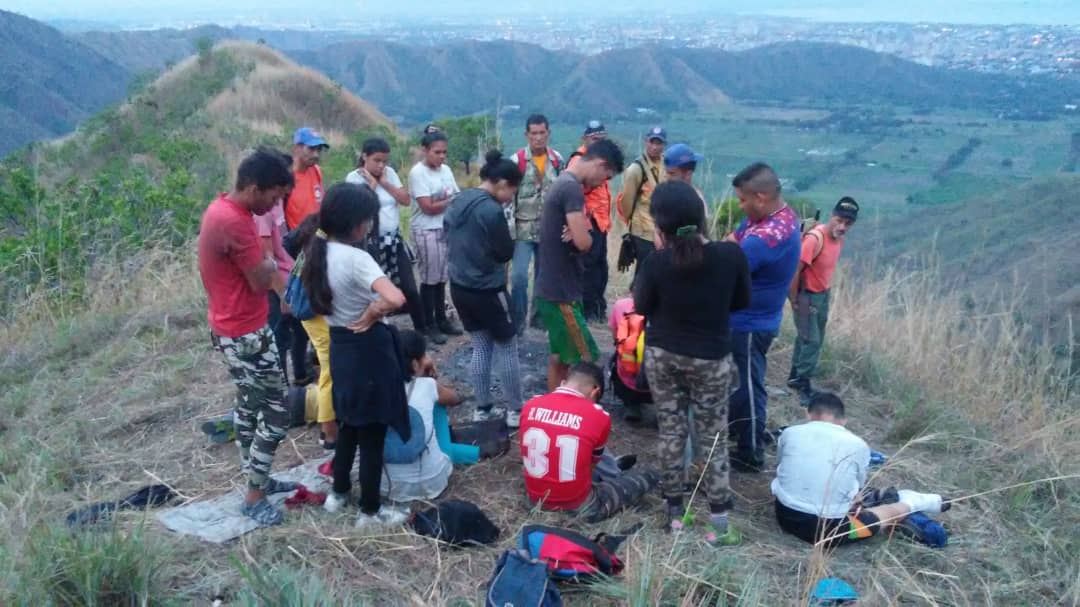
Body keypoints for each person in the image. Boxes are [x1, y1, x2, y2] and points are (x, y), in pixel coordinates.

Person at [633, 181, 751, 545]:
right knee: (714, 436)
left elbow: (640, 308)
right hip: (711, 358)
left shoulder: (656, 262)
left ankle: (675, 516)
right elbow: (741, 302)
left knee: (671, 430)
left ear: (660, 225)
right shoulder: (730, 256)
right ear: (701, 218)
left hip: (663, 355)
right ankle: (719, 521)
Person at [197, 149, 297, 527]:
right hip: (246, 332)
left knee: (248, 405)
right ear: (253, 188)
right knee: (276, 411)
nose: (274, 205)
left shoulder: (220, 210)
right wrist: (272, 264)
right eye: (273, 197)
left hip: (229, 327)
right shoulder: (237, 223)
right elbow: (260, 279)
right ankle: (254, 496)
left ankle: (258, 477)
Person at [303, 182, 410, 528]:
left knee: (349, 423)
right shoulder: (357, 258)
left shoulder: (317, 251)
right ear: (356, 223)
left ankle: (338, 493)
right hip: (367, 350)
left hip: (339, 345)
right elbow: (396, 298)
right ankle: (370, 510)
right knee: (373, 432)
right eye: (367, 219)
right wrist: (374, 312)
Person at [772, 392, 947, 547]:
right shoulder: (858, 445)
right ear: (843, 420)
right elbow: (856, 489)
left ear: (808, 414)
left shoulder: (790, 432)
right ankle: (912, 502)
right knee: (877, 518)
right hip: (830, 532)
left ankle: (895, 499)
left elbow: (780, 467)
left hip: (783, 516)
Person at [725, 162, 801, 473]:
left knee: (747, 387)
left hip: (748, 323)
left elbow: (727, 267)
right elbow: (732, 240)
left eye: (743, 200)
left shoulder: (762, 239)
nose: (741, 207)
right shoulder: (783, 218)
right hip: (758, 318)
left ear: (760, 196)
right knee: (741, 382)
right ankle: (741, 431)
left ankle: (751, 451)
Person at [535, 138, 624, 393]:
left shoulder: (563, 183)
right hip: (561, 292)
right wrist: (583, 231)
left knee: (560, 357)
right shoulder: (571, 189)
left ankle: (554, 405)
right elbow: (585, 243)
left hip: (553, 288)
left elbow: (577, 237)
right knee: (586, 360)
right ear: (599, 164)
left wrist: (578, 233)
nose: (601, 183)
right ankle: (581, 415)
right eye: (605, 177)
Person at [445, 151, 527, 428]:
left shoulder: (460, 199)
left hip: (459, 286)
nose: (510, 197)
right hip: (488, 289)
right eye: (512, 191)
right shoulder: (491, 210)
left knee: (480, 345)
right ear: (503, 183)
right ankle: (515, 409)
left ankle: (483, 407)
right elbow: (505, 252)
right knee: (507, 346)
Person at [520, 362, 658, 523]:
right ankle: (623, 472)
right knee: (647, 476)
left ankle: (614, 468)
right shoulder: (598, 415)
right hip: (580, 507)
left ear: (563, 382)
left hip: (534, 501)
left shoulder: (530, 405)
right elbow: (590, 467)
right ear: (595, 392)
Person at [346, 137, 427, 335]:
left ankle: (423, 330)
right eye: (377, 160)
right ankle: (372, 330)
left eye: (385, 161)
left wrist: (384, 182)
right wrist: (372, 185)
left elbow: (406, 200)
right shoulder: (354, 178)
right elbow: (359, 208)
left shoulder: (389, 174)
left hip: (393, 239)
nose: (381, 165)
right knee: (373, 290)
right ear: (365, 157)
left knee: (409, 286)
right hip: (369, 243)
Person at [787, 197, 859, 403]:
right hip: (805, 295)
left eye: (848, 223)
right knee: (812, 340)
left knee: (807, 337)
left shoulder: (838, 238)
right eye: (839, 220)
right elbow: (795, 270)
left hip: (821, 294)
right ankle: (803, 384)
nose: (843, 226)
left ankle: (794, 376)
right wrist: (794, 299)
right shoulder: (814, 239)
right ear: (832, 216)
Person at [382, 329, 464, 502]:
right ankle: (460, 453)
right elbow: (455, 399)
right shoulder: (427, 385)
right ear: (415, 364)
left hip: (387, 486)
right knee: (438, 406)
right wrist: (430, 378)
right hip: (432, 482)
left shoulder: (375, 387)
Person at [282, 215, 337, 449]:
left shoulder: (308, 247)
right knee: (329, 372)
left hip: (309, 316)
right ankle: (329, 432)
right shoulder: (320, 253)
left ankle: (330, 424)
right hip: (316, 317)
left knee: (329, 371)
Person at [408, 131, 464, 345]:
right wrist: (448, 202)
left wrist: (445, 202)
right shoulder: (418, 173)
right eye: (437, 152)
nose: (441, 157)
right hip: (426, 229)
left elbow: (455, 195)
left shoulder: (446, 170)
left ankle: (442, 319)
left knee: (441, 278)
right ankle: (427, 323)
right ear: (425, 150)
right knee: (429, 279)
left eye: (444, 153)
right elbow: (428, 207)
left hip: (444, 228)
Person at [509, 114, 563, 334]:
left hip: (548, 229)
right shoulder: (517, 160)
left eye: (542, 133)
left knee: (544, 277)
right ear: (527, 135)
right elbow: (509, 196)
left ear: (548, 133)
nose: (538, 138)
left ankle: (538, 319)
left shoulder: (557, 160)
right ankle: (518, 320)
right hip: (523, 228)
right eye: (534, 133)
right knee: (519, 277)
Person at [568, 120, 614, 321]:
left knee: (600, 267)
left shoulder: (601, 159)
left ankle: (597, 307)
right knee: (588, 267)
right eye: (595, 139)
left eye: (601, 139)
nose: (598, 142)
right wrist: (582, 221)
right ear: (585, 139)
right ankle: (587, 310)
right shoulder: (579, 160)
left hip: (601, 222)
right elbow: (573, 192)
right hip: (588, 221)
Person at [617, 126, 668, 273]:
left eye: (659, 143)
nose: (655, 147)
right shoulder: (636, 169)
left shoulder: (666, 164)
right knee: (645, 272)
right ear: (646, 142)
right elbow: (626, 202)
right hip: (643, 232)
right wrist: (631, 224)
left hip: (662, 230)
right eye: (652, 142)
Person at [284, 127, 328, 230]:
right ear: (297, 148)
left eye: (319, 149)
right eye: (311, 149)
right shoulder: (286, 177)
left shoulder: (316, 171)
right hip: (296, 240)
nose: (316, 154)